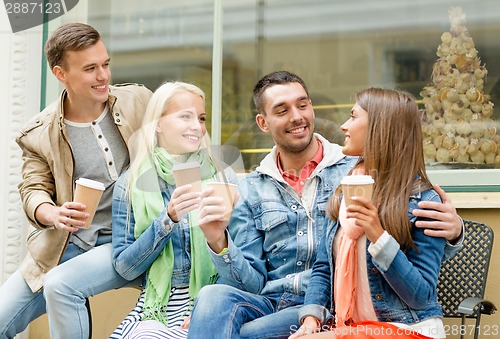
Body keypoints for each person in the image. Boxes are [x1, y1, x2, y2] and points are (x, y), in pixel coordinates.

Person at [187, 71, 463, 339]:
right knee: (211, 299)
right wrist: (218, 242)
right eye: (282, 110)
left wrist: (454, 232)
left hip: (339, 306)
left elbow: (409, 229)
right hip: (277, 302)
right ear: (263, 123)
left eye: (303, 105)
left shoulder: (347, 172)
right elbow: (253, 282)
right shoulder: (253, 188)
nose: (297, 116)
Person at [0, 23, 152, 339]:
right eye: (90, 69)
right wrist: (51, 213)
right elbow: (33, 188)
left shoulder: (138, 101)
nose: (103, 76)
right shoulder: (38, 133)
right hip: (66, 245)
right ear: (60, 74)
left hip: (129, 239)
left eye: (105, 64)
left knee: (62, 287)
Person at [289, 88, 448, 339]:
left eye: (353, 117)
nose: (343, 125)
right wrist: (311, 318)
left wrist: (378, 234)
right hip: (351, 327)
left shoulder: (423, 202)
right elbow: (323, 268)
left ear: (379, 127)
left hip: (407, 329)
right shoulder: (345, 189)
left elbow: (419, 296)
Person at [109, 81, 238, 339]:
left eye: (201, 118)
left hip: (215, 297)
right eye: (185, 117)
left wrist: (208, 307)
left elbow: (243, 257)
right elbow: (125, 268)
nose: (197, 127)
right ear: (157, 123)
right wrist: (167, 220)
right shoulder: (132, 182)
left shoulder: (223, 175)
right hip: (158, 305)